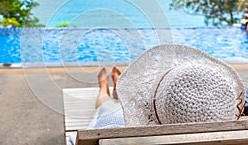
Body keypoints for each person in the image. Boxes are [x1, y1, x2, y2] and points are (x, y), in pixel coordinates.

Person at [69, 44, 246, 144]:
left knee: (106, 107)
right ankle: (117, 87)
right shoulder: (239, 134)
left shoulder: (114, 135)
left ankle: (105, 89)